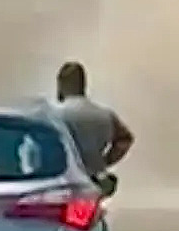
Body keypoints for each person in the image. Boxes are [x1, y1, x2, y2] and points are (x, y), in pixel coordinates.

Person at [54, 61, 135, 192]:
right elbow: (125, 139)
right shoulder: (105, 115)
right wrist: (106, 161)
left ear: (61, 85)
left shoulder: (54, 114)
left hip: (63, 179)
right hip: (95, 179)